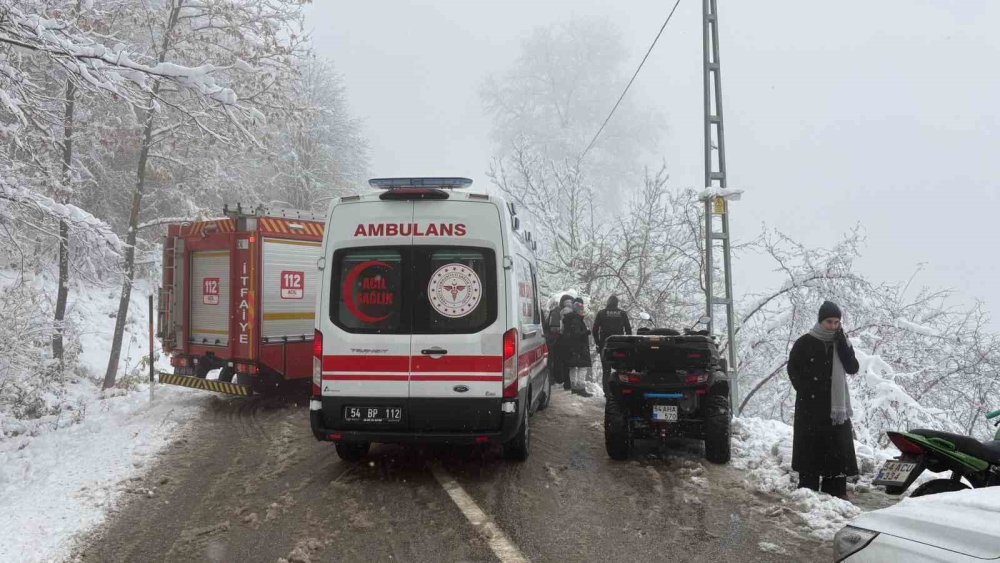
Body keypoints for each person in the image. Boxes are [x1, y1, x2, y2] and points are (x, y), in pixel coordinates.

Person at [787, 300, 860, 499]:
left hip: (836, 410)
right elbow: (793, 368)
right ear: (821, 321)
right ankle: (807, 493)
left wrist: (843, 344)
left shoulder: (842, 342)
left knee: (836, 452)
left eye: (837, 322)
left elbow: (853, 367)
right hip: (810, 407)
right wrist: (805, 389)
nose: (833, 326)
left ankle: (835, 493)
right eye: (829, 321)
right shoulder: (805, 342)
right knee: (810, 450)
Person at [592, 295, 632, 393]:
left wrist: (598, 343)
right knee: (621, 370)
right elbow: (628, 330)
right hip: (620, 346)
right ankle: (621, 391)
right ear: (617, 303)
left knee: (606, 371)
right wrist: (627, 344)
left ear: (608, 302)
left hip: (605, 346)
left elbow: (594, 330)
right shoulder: (622, 313)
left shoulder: (601, 313)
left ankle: (607, 393)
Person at [563, 297, 594, 397]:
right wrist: (587, 332)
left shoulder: (570, 318)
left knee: (573, 367)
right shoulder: (576, 320)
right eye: (581, 308)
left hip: (571, 347)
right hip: (579, 347)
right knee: (582, 367)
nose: (582, 310)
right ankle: (581, 388)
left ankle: (574, 387)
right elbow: (576, 334)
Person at [545, 294, 573, 390]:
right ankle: (557, 379)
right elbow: (553, 328)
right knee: (556, 360)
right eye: (568, 303)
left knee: (560, 361)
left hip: (561, 341)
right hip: (555, 341)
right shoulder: (557, 312)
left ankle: (559, 379)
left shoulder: (563, 312)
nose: (569, 305)